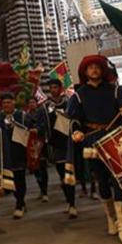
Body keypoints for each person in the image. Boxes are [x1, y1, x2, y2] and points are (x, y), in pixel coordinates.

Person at [68, 56, 122, 244]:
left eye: (97, 67)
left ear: (102, 70)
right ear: (85, 72)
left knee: (119, 181)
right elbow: (74, 120)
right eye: (91, 67)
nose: (94, 70)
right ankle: (110, 217)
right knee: (102, 181)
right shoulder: (79, 95)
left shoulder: (115, 91)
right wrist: (77, 131)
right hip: (93, 140)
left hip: (115, 139)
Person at [0, 92, 36, 219]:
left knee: (19, 179)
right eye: (3, 103)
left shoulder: (22, 115)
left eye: (8, 102)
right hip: (5, 153)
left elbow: (34, 127)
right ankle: (20, 201)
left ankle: (19, 204)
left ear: (13, 102)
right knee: (10, 181)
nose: (6, 105)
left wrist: (32, 131)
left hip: (20, 152)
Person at [43, 78, 77, 217]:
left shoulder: (69, 102)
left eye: (55, 87)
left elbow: (76, 119)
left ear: (60, 88)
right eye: (51, 88)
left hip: (68, 143)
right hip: (56, 144)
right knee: (63, 177)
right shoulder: (46, 106)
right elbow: (43, 124)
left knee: (70, 175)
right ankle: (69, 201)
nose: (53, 90)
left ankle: (72, 204)